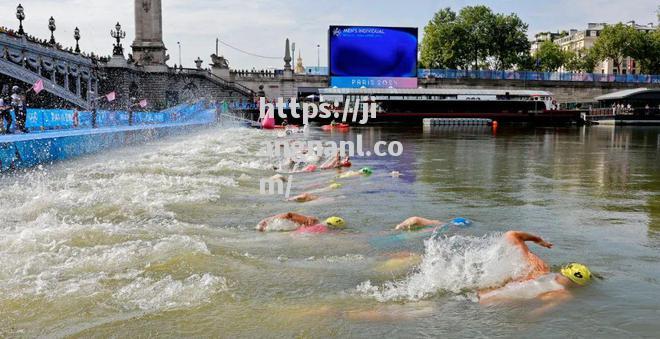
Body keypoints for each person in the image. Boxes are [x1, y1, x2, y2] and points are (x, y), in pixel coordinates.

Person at [478, 231, 592, 304]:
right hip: (486, 305)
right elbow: (536, 313)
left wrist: (538, 240)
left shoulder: (538, 267)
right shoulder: (562, 294)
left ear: (562, 271)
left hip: (479, 295)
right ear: (577, 284)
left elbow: (511, 235)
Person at [256, 212, 345, 234]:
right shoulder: (325, 231)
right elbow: (289, 215)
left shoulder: (312, 222)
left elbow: (289, 214)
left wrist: (267, 220)